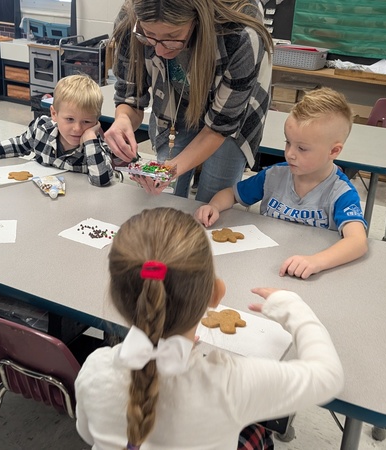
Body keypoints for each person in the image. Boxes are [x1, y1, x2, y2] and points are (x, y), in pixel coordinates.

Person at [75, 207, 344, 449]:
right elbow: (328, 376)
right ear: (217, 293)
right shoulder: (229, 384)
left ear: (115, 296)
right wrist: (293, 307)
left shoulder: (95, 369)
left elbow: (88, 434)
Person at [105, 0, 274, 202]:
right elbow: (130, 97)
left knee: (211, 198)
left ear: (197, 18)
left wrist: (170, 170)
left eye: (172, 37)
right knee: (163, 195)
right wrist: (123, 119)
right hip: (173, 103)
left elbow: (220, 127)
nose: (159, 51)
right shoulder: (130, 21)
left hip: (230, 114)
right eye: (149, 35)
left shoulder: (242, 35)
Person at [195, 87, 369, 279]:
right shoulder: (274, 175)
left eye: (302, 148)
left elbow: (358, 241)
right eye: (288, 143)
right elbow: (231, 194)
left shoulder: (341, 192)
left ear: (334, 151)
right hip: (264, 266)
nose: (290, 154)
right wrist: (214, 206)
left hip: (307, 274)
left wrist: (317, 261)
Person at [0, 74, 119, 186]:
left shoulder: (95, 146)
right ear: (54, 114)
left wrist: (91, 138)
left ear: (96, 121)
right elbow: (18, 145)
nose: (77, 128)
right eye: (69, 119)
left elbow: (101, 180)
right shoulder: (43, 128)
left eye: (86, 122)